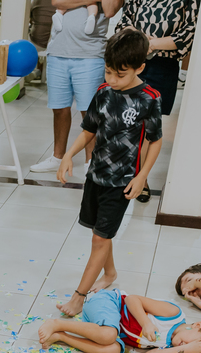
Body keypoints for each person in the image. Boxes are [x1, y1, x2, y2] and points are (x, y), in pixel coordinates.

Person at [55, 29, 162, 317]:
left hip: (123, 181)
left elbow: (155, 141)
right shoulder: (104, 92)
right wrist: (68, 155)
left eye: (120, 75)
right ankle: (110, 272)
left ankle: (79, 296)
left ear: (140, 67)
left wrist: (142, 177)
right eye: (108, 72)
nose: (112, 80)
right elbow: (89, 130)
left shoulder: (149, 98)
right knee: (98, 230)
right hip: (96, 175)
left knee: (100, 238)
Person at [111, 0, 197, 201]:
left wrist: (152, 43)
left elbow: (189, 32)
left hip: (164, 66)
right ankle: (122, 170)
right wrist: (140, 41)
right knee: (127, 119)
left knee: (150, 127)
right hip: (132, 59)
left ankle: (141, 178)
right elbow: (124, 22)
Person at [28, 0, 118, 176]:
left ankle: (91, 161)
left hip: (90, 56)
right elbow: (57, 1)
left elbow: (109, 11)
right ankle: (57, 157)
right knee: (59, 108)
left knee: (89, 112)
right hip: (58, 53)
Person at [38, 289, 201, 353]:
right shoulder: (172, 314)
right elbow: (131, 299)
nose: (186, 349)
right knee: (108, 336)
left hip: (105, 327)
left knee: (112, 350)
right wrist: (146, 323)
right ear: (198, 325)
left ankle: (62, 336)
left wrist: (183, 349)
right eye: (193, 344)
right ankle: (57, 323)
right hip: (108, 303)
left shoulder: (172, 347)